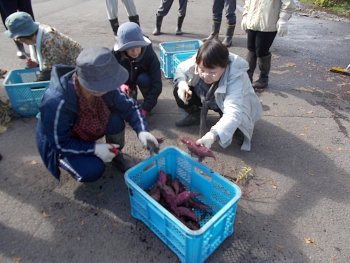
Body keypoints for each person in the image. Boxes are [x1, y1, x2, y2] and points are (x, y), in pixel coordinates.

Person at [36, 47, 159, 183]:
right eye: (106, 85)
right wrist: (93, 149)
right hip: (65, 141)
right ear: (91, 84)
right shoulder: (56, 101)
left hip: (90, 124)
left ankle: (115, 154)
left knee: (115, 119)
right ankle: (70, 160)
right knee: (92, 170)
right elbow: (59, 143)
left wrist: (142, 131)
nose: (111, 87)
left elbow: (131, 107)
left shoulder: (106, 88)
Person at [173, 39, 263, 151]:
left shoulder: (236, 76)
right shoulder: (202, 58)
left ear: (224, 67)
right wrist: (182, 83)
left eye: (212, 72)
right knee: (178, 89)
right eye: (202, 70)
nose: (206, 75)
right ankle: (195, 114)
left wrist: (212, 135)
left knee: (234, 121)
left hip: (227, 103)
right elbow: (181, 68)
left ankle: (237, 128)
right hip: (205, 95)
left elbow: (233, 113)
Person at [4, 12, 82, 81]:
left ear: (27, 35)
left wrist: (32, 87)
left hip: (77, 70)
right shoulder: (39, 31)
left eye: (21, 40)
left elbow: (47, 73)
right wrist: (35, 61)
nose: (22, 43)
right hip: (62, 65)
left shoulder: (49, 42)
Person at [241, 0, 296, 89]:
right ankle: (247, 77)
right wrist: (245, 15)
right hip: (252, 21)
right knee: (251, 49)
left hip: (268, 22)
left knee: (261, 51)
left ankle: (263, 78)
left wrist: (283, 19)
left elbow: (289, 3)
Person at [113, 22, 162, 116]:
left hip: (143, 78)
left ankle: (148, 101)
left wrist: (146, 108)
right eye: (129, 48)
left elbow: (157, 84)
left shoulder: (149, 53)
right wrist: (119, 86)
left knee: (144, 79)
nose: (134, 52)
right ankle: (132, 93)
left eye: (137, 47)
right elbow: (108, 76)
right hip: (125, 79)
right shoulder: (115, 54)